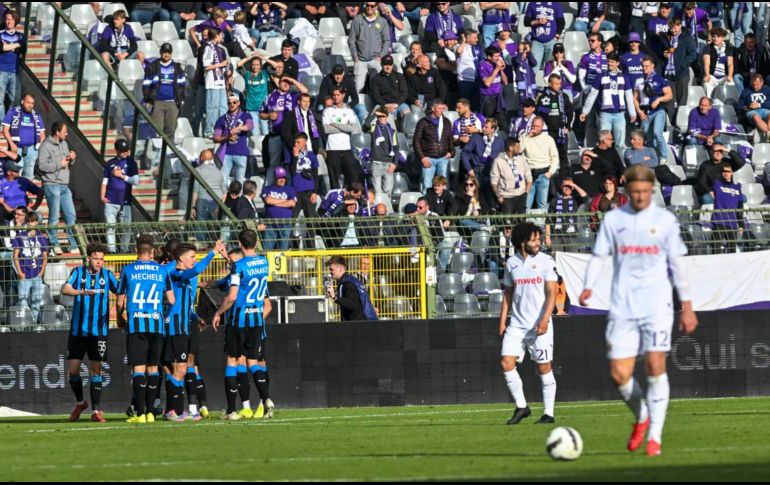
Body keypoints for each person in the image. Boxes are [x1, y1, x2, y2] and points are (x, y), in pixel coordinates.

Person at [580, 165, 698, 456]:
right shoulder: (614, 220)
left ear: (652, 190)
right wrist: (587, 286)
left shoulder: (665, 220)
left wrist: (688, 307)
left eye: (646, 191)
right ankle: (642, 416)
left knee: (656, 367)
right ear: (626, 190)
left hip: (657, 304)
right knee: (619, 374)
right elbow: (598, 256)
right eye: (636, 191)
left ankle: (655, 436)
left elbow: (678, 264)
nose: (641, 196)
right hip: (622, 305)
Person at [499, 222, 558, 425]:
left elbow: (552, 292)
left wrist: (544, 320)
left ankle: (549, 413)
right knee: (506, 363)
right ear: (522, 242)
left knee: (543, 368)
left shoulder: (546, 261)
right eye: (533, 239)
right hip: (516, 324)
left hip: (538, 324)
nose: (538, 242)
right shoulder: (511, 263)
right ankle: (522, 407)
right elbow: (508, 293)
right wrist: (502, 321)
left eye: (538, 239)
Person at [212, 229, 275, 421]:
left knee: (232, 361)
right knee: (253, 362)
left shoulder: (238, 267)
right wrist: (228, 259)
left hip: (238, 320)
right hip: (256, 320)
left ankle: (232, 410)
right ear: (255, 243)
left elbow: (231, 297)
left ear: (240, 244)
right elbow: (246, 271)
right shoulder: (264, 262)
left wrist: (218, 312)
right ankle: (266, 399)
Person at [117, 234, 175, 424]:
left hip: (137, 325)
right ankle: (151, 412)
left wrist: (120, 317)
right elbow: (172, 301)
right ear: (152, 252)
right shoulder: (162, 271)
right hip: (156, 325)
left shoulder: (128, 270)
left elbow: (119, 301)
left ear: (136, 250)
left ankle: (140, 414)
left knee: (139, 369)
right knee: (153, 369)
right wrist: (163, 317)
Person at [163, 241, 225, 421]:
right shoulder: (176, 273)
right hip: (174, 328)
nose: (194, 260)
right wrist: (213, 252)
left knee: (181, 370)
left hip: (183, 327)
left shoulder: (186, 279)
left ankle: (177, 410)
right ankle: (172, 411)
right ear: (181, 259)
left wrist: (195, 317)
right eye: (191, 257)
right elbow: (197, 270)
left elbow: (186, 306)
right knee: (179, 369)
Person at [61, 242, 119, 424]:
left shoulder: (108, 275)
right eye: (96, 258)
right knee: (73, 371)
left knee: (96, 370)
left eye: (102, 259)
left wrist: (118, 306)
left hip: (98, 332)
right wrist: (81, 292)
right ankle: (80, 403)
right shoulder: (78, 273)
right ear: (88, 258)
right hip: (78, 331)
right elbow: (65, 289)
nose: (99, 262)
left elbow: (121, 291)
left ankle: (96, 411)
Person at [580, 52, 637, 151]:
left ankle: (620, 164)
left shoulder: (624, 77)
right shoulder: (600, 77)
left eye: (612, 62)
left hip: (620, 114)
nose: (610, 64)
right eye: (608, 61)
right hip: (605, 114)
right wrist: (585, 111)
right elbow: (592, 95)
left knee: (620, 143)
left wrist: (632, 112)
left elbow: (628, 96)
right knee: (604, 142)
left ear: (617, 63)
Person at [37, 122, 78, 255]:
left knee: (71, 215)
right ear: (57, 132)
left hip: (64, 185)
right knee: (54, 216)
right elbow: (41, 166)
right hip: (51, 184)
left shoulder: (64, 144)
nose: (67, 133)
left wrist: (72, 159)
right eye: (65, 131)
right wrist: (58, 164)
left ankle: (73, 245)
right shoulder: (46, 145)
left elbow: (67, 163)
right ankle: (54, 244)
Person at [260, 75, 307, 184]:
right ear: (278, 83)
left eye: (288, 82)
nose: (286, 84)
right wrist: (268, 116)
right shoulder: (270, 96)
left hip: (291, 137)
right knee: (273, 163)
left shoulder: (294, 96)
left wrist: (292, 80)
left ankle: (290, 186)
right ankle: (269, 186)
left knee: (291, 162)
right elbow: (261, 113)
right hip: (275, 134)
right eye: (284, 82)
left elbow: (305, 91)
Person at [102, 139, 139, 254]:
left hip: (125, 201)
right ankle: (112, 249)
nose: (125, 153)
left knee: (126, 227)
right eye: (123, 151)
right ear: (117, 150)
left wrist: (122, 176)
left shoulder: (131, 163)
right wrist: (102, 196)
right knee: (110, 226)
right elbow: (104, 181)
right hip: (111, 200)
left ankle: (124, 249)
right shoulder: (110, 163)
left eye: (127, 150)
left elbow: (136, 180)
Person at [633, 57, 673, 163]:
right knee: (647, 135)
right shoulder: (639, 80)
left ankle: (664, 156)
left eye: (646, 66)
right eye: (643, 66)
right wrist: (639, 111)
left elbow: (669, 95)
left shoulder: (660, 79)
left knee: (657, 132)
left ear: (652, 66)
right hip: (645, 111)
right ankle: (651, 155)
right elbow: (635, 98)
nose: (644, 68)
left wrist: (659, 99)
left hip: (658, 110)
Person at [142, 42, 185, 138]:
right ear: (160, 52)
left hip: (172, 103)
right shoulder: (152, 67)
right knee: (157, 132)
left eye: (169, 52)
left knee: (170, 132)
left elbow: (182, 86)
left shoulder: (177, 67)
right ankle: (157, 152)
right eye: (164, 52)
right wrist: (148, 101)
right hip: (157, 103)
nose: (167, 54)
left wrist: (181, 100)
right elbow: (146, 86)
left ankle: (168, 153)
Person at [11, 210, 48, 323]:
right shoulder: (20, 236)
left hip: (37, 275)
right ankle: (25, 324)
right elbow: (15, 256)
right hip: (24, 275)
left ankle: (33, 325)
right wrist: (20, 272)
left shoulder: (42, 237)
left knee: (36, 303)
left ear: (36, 222)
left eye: (32, 221)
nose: (29, 224)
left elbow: (45, 257)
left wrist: (41, 272)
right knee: (23, 303)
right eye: (27, 222)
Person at [658, 18, 698, 119]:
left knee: (682, 101)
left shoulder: (687, 38)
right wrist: (663, 54)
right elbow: (660, 53)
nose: (673, 30)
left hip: (682, 74)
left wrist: (682, 64)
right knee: (669, 102)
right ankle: (672, 123)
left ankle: (681, 121)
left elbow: (693, 54)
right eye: (671, 28)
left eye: (675, 28)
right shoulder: (666, 37)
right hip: (668, 75)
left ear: (680, 26)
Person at [461, 118, 505, 208]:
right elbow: (464, 153)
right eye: (483, 126)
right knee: (477, 195)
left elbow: (503, 157)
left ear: (493, 129)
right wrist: (469, 169)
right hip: (477, 170)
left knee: (491, 194)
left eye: (486, 127)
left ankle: (492, 213)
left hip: (492, 171)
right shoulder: (476, 137)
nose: (483, 128)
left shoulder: (499, 141)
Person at [413, 99, 454, 193]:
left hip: (443, 158)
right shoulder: (423, 122)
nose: (442, 110)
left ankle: (443, 205)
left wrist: (452, 152)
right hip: (428, 158)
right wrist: (422, 157)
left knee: (443, 185)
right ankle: (426, 205)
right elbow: (416, 141)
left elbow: (450, 139)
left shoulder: (446, 122)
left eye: (443, 108)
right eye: (439, 108)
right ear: (433, 108)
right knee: (427, 184)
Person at [349, 2, 391, 94]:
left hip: (376, 60)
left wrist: (380, 56)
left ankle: (378, 107)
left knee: (381, 87)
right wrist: (355, 58)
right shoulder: (357, 19)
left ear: (376, 6)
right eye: (367, 5)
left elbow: (387, 41)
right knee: (357, 89)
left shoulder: (382, 21)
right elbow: (351, 40)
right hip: (360, 60)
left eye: (372, 6)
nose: (369, 7)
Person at [322, 86, 359, 189]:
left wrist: (335, 124)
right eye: (334, 95)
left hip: (346, 148)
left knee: (352, 178)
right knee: (334, 179)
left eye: (338, 95)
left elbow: (352, 128)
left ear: (343, 95)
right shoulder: (328, 111)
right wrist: (344, 127)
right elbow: (326, 129)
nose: (335, 97)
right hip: (332, 149)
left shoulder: (349, 111)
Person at [536, 73, 574, 175]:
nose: (558, 86)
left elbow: (570, 112)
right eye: (556, 84)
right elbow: (539, 115)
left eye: (559, 84)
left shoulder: (564, 96)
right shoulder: (543, 97)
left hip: (562, 131)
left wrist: (568, 127)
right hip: (548, 132)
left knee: (563, 155)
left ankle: (565, 178)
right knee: (548, 155)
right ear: (549, 84)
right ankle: (548, 177)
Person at [2, 93, 45, 181]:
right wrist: (11, 143)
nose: (30, 105)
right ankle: (16, 194)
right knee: (16, 174)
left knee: (28, 177)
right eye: (28, 102)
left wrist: (38, 146)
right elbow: (5, 130)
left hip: (32, 149)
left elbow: (42, 133)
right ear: (22, 102)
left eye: (32, 103)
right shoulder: (13, 112)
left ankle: (24, 194)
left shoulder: (36, 115)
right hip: (16, 148)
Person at [214, 93, 253, 187]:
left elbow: (250, 126)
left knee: (239, 182)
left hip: (241, 153)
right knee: (222, 181)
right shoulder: (221, 119)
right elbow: (215, 137)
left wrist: (238, 129)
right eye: (229, 103)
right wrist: (227, 137)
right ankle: (222, 200)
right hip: (226, 153)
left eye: (234, 102)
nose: (231, 104)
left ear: (238, 103)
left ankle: (238, 201)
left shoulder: (246, 115)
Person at [190, 149, 228, 244]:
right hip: (217, 202)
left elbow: (195, 190)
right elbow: (224, 192)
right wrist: (221, 205)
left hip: (203, 200)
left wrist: (193, 207)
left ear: (201, 158)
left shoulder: (198, 170)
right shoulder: (218, 171)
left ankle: (202, 247)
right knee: (215, 229)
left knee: (201, 228)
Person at [521, 117, 558, 210]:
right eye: (533, 126)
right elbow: (519, 150)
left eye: (537, 126)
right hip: (529, 175)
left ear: (542, 127)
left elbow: (554, 157)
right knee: (526, 204)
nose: (534, 128)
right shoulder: (525, 137)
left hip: (543, 174)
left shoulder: (548, 139)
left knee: (542, 204)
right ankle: (525, 224)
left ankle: (541, 224)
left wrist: (550, 173)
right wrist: (527, 137)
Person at [325, 255, 378, 321]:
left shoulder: (348, 283)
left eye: (332, 269)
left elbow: (353, 304)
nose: (330, 272)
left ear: (340, 269)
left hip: (360, 325)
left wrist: (335, 297)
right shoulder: (347, 281)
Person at [200, 27, 230, 138]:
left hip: (220, 81)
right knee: (212, 107)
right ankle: (209, 130)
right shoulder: (208, 48)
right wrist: (220, 64)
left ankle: (221, 128)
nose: (222, 37)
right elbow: (206, 66)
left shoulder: (220, 48)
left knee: (222, 106)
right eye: (221, 35)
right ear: (216, 36)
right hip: (212, 82)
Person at [544, 178, 588, 252]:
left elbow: (586, 198)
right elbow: (548, 220)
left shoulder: (575, 200)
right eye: (565, 186)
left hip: (572, 236)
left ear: (572, 188)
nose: (567, 188)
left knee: (571, 260)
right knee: (556, 260)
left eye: (569, 186)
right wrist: (547, 237)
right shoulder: (554, 200)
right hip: (556, 236)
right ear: (561, 187)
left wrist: (574, 185)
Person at [710, 163, 745, 253]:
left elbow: (740, 207)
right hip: (719, 221)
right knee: (716, 250)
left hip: (732, 223)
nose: (726, 173)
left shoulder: (737, 187)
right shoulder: (717, 184)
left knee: (732, 251)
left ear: (732, 173)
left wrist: (741, 224)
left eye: (728, 171)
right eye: (724, 171)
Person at [491, 137, 532, 214]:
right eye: (517, 147)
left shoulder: (521, 159)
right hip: (506, 197)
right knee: (508, 224)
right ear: (510, 148)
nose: (519, 149)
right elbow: (494, 182)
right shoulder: (498, 161)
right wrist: (499, 197)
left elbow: (528, 176)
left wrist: (526, 193)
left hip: (521, 195)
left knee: (521, 223)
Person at [261, 166, 297, 251]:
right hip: (270, 224)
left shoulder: (290, 189)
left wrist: (275, 202)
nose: (282, 180)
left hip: (285, 224)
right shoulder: (267, 189)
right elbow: (268, 201)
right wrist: (285, 201)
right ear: (274, 178)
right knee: (267, 252)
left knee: (283, 252)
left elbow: (292, 203)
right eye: (279, 178)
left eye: (283, 178)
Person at [367, 108, 400, 199]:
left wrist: (395, 163)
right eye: (379, 116)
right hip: (376, 162)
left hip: (389, 163)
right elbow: (365, 125)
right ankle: (379, 209)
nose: (381, 118)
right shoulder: (374, 127)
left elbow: (396, 148)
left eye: (383, 116)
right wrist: (374, 114)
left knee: (388, 189)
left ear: (387, 117)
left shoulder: (392, 131)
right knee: (377, 190)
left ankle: (387, 210)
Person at [286, 133, 319, 218]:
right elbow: (291, 172)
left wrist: (315, 192)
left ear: (304, 143)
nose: (295, 144)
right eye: (295, 142)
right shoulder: (289, 154)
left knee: (310, 220)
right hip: (295, 191)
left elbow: (315, 175)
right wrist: (295, 157)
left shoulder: (311, 155)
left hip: (309, 192)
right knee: (292, 219)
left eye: (298, 142)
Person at [524, 1, 565, 71]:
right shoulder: (532, 4)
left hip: (551, 40)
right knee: (534, 66)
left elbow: (561, 22)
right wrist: (537, 21)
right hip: (536, 41)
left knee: (551, 68)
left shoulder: (556, 4)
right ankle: (534, 82)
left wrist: (557, 35)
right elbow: (526, 22)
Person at [0, 9, 25, 122]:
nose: (8, 21)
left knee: (15, 99)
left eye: (11, 19)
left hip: (15, 71)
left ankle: (9, 123)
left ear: (15, 21)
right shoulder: (0, 34)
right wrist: (16, 45)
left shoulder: (21, 35)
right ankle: (1, 124)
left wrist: (8, 46)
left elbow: (23, 49)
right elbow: (2, 48)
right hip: (1, 70)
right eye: (7, 19)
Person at [239, 54, 272, 136]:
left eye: (257, 65)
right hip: (251, 109)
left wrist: (263, 58)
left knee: (266, 133)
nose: (255, 67)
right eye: (253, 64)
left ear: (261, 65)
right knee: (255, 134)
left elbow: (276, 65)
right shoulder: (247, 74)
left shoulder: (265, 73)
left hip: (264, 109)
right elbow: (239, 64)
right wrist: (249, 57)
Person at [478, 46, 508, 125]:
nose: (499, 58)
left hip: (498, 98)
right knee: (486, 122)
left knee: (503, 124)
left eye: (499, 56)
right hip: (487, 98)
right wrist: (496, 69)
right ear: (489, 57)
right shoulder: (482, 66)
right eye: (496, 56)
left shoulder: (497, 65)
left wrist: (501, 70)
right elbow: (487, 83)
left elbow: (505, 82)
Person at [702, 27, 736, 98]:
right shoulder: (707, 48)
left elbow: (730, 64)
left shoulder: (729, 48)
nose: (715, 38)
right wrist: (707, 75)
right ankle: (709, 101)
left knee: (730, 83)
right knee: (707, 83)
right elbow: (706, 63)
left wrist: (730, 76)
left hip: (724, 76)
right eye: (714, 36)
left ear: (723, 38)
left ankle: (728, 104)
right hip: (712, 76)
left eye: (718, 36)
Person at [455, 30, 484, 110]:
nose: (477, 39)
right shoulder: (459, 46)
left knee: (476, 105)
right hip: (465, 81)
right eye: (474, 38)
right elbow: (458, 51)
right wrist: (464, 41)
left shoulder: (478, 48)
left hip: (477, 80)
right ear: (467, 38)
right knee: (464, 105)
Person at [739, 73, 770, 142]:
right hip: (752, 112)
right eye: (753, 85)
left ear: (762, 82)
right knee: (756, 117)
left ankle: (768, 135)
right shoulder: (746, 91)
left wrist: (759, 105)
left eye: (757, 85)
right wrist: (747, 107)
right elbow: (740, 106)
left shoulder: (767, 89)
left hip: (765, 110)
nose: (755, 87)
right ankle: (768, 135)